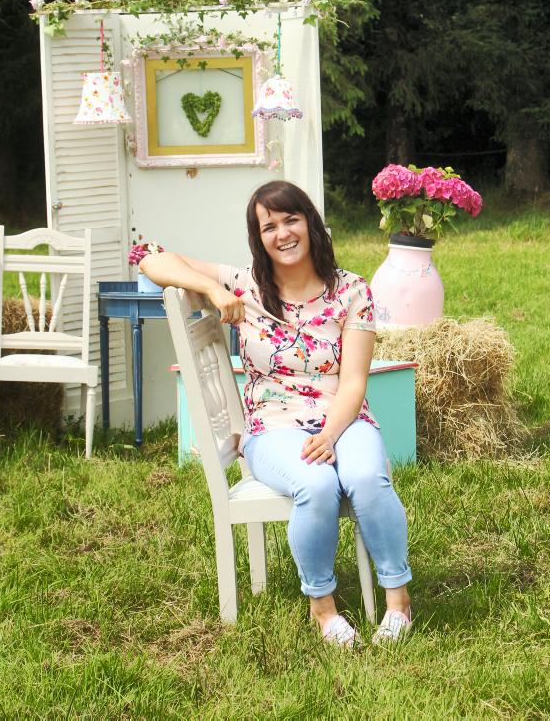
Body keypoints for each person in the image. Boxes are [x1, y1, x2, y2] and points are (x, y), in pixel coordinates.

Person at [141, 181, 412, 646]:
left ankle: (398, 602)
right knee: (316, 484)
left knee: (367, 478)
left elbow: (353, 382)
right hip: (273, 428)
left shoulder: (352, 291)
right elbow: (148, 257)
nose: (283, 233)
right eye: (269, 227)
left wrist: (330, 434)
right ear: (258, 238)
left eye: (291, 220)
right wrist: (212, 289)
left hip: (344, 419)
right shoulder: (245, 286)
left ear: (310, 224)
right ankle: (323, 609)